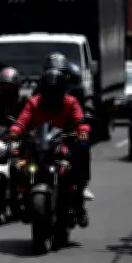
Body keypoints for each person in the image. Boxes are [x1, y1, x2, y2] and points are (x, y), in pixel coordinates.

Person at [8, 67, 91, 227]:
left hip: (62, 146)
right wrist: (15, 131)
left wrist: (82, 131)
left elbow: (80, 121)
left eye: (55, 91)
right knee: (18, 167)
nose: (52, 95)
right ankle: (19, 202)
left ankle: (79, 204)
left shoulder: (70, 102)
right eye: (49, 90)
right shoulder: (34, 102)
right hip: (38, 146)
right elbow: (22, 119)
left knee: (80, 154)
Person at [42, 53, 96, 203]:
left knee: (82, 147)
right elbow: (28, 113)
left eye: (60, 74)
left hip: (68, 133)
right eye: (51, 73)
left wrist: (83, 127)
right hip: (46, 133)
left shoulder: (75, 92)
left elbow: (85, 111)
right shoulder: (39, 92)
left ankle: (82, 183)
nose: (54, 78)